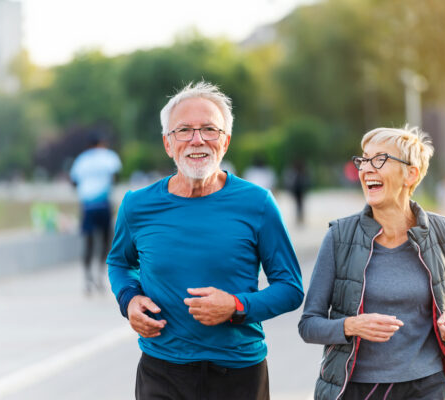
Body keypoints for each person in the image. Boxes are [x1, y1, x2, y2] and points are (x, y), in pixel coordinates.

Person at [106, 81, 304, 400]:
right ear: (168, 144)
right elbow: (119, 262)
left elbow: (291, 288)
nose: (197, 140)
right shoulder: (137, 205)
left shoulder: (258, 203)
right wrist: (128, 298)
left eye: (209, 129)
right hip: (161, 372)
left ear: (225, 141)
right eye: (184, 130)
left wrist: (236, 306)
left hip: (238, 374)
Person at [299, 126, 445, 400]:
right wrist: (351, 326)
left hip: (426, 385)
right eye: (363, 160)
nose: (366, 168)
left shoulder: (443, 232)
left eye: (379, 159)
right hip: (357, 388)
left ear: (410, 174)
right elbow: (308, 324)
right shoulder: (339, 237)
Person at [69, 133, 121, 295]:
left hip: (87, 205)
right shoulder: (109, 156)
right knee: (106, 241)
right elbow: (115, 177)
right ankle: (100, 274)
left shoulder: (81, 160)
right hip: (103, 203)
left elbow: (73, 182)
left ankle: (87, 278)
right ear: (101, 143)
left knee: (88, 242)